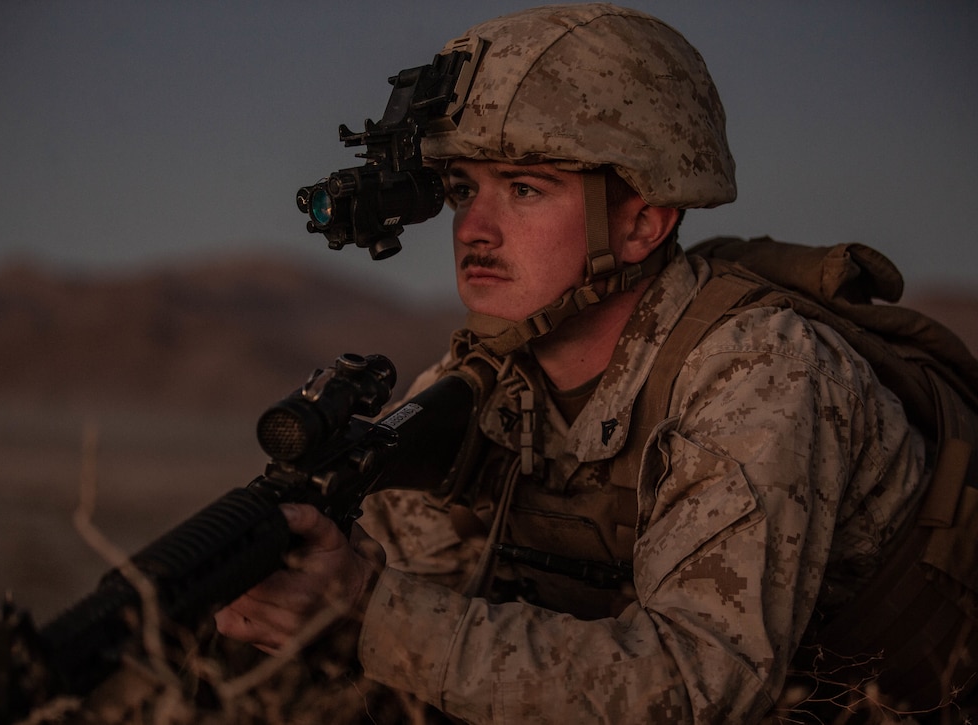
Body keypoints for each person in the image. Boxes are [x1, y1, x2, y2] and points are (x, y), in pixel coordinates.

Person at [215, 4, 969, 721]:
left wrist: (367, 609)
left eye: (524, 189)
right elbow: (426, 578)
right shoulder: (485, 374)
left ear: (642, 221)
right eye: (460, 190)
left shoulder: (762, 367)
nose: (474, 228)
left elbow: (695, 687)